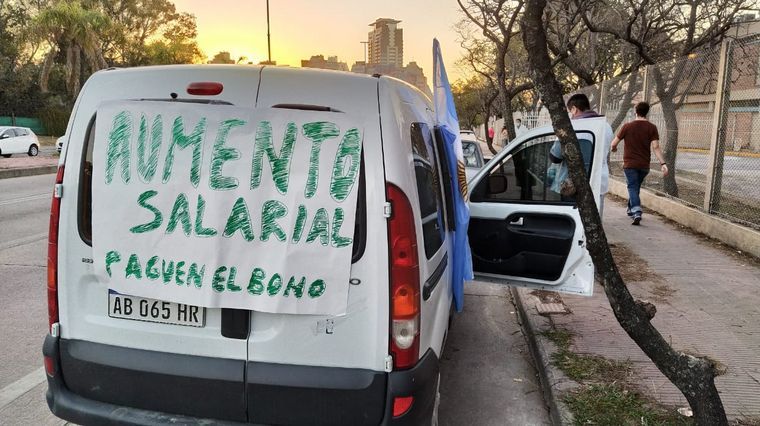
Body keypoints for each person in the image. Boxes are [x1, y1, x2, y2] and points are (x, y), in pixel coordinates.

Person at [548, 93, 613, 215]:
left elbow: (555, 157)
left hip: (573, 186)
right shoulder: (606, 126)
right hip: (599, 182)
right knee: (595, 218)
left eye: (570, 112)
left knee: (573, 219)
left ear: (574, 109)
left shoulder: (572, 127)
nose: (570, 116)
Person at [611, 101, 668, 225]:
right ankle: (630, 210)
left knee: (632, 187)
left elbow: (614, 143)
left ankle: (636, 210)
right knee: (635, 187)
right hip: (644, 166)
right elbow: (656, 147)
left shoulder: (627, 126)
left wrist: (613, 149)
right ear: (647, 112)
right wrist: (663, 164)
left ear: (635, 112)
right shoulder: (652, 127)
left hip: (630, 165)